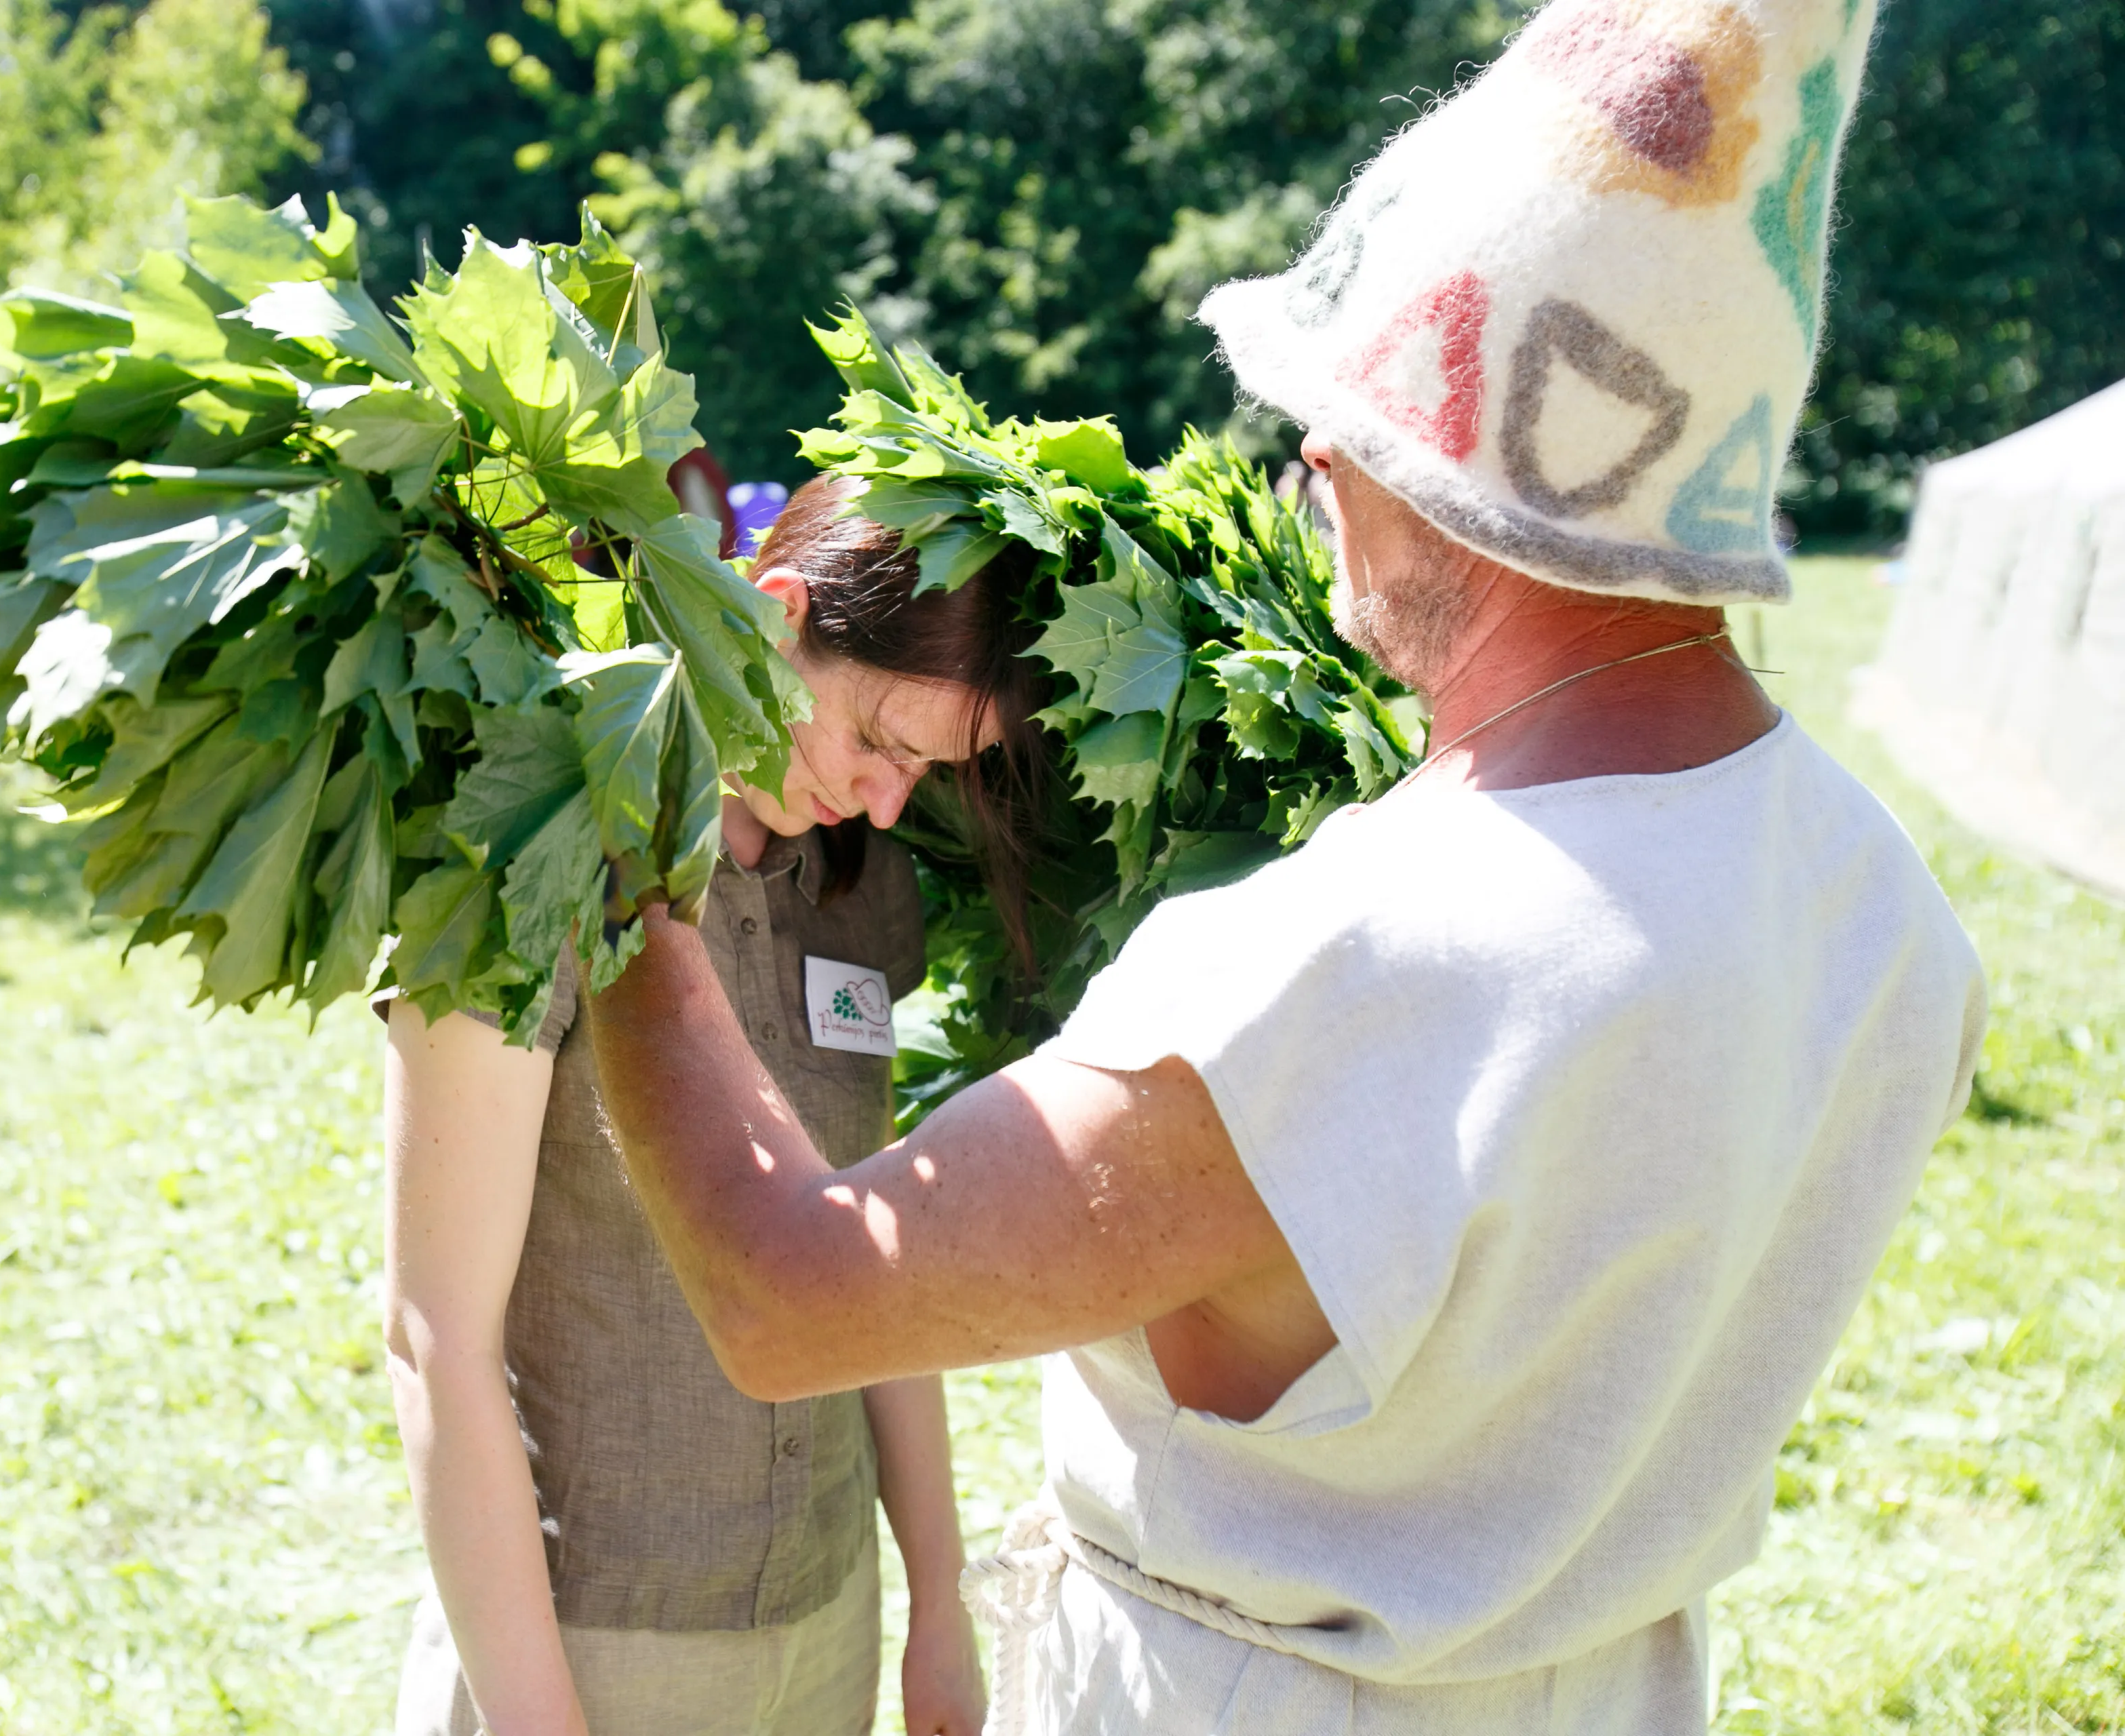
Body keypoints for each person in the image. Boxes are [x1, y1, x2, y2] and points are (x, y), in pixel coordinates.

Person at [579, 1, 1989, 1730]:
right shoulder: (1890, 917)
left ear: (1460, 485)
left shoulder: (1340, 965)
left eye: (1351, 427)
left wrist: (612, 863)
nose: (1311, 461)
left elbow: (791, 1291)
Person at [382, 477, 1039, 1735]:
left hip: (826, 1621)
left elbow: (875, 1273)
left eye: (927, 772)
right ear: (777, 615)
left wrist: (938, 1603)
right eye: (878, 742)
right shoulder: (529, 846)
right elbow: (433, 1340)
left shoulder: (861, 891)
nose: (889, 802)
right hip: (595, 1644)